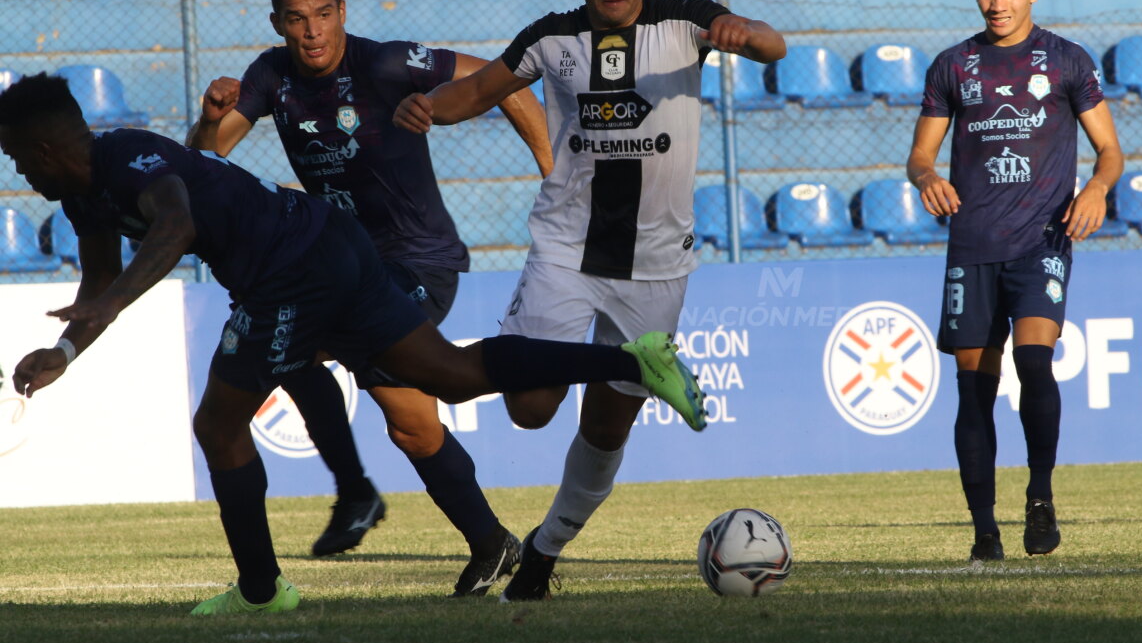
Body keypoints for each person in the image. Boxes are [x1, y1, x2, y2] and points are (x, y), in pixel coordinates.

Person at [0, 72, 704, 615]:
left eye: (17, 160)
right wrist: (64, 353)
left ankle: (261, 589)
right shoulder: (82, 196)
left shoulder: (126, 157)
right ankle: (632, 358)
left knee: (219, 423)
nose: (20, 176)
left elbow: (175, 225)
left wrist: (114, 302)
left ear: (44, 149)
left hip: (291, 269)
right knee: (452, 375)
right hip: (326, 244)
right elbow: (97, 284)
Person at [394, 0, 786, 601]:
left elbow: (772, 43)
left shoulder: (684, 21)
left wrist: (744, 32)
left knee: (606, 425)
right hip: (566, 247)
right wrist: (428, 108)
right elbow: (477, 91)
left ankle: (543, 552)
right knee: (530, 405)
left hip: (656, 263)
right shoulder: (550, 39)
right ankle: (631, 360)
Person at [186, 0, 552, 597]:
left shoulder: (385, 64)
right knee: (405, 417)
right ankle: (479, 537)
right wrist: (211, 116)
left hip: (418, 264)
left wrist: (556, 174)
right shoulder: (270, 77)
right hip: (340, 267)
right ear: (278, 23)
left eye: (324, 14)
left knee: (369, 383)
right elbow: (201, 165)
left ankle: (371, 495)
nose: (313, 32)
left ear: (342, 13)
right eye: (297, 19)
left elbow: (507, 81)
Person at [905, 0, 1124, 562]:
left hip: (1042, 241)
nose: (996, 3)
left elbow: (1110, 151)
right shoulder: (953, 65)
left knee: (1034, 363)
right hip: (972, 246)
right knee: (973, 388)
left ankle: (1040, 496)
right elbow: (920, 156)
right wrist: (927, 179)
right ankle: (983, 532)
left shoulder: (1066, 61)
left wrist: (1098, 191)